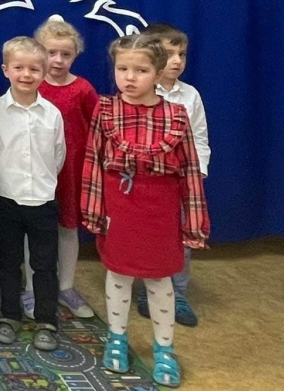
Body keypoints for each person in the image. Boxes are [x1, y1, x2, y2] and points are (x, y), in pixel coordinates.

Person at [82, 35, 208, 389]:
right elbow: (93, 161)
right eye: (122, 69)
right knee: (118, 274)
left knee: (159, 278)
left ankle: (164, 348)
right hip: (120, 206)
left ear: (157, 71)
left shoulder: (176, 115)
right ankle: (116, 338)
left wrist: (194, 220)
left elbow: (189, 170)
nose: (130, 77)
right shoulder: (106, 110)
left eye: (140, 70)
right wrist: (93, 209)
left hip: (159, 209)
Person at [0, 37, 66, 352]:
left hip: (43, 200)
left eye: (34, 69)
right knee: (8, 262)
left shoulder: (52, 114)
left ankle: (46, 320)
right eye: (19, 67)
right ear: (6, 69)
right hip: (5, 198)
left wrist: (41, 181)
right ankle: (9, 315)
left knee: (44, 265)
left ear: (44, 73)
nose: (26, 74)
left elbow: (58, 155)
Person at [27, 17, 99, 319]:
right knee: (34, 229)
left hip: (71, 171)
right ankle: (31, 288)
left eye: (65, 54)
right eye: (51, 52)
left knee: (68, 228)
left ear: (75, 55)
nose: (57, 60)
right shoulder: (32, 84)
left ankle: (66, 286)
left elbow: (97, 128)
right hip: (36, 168)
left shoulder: (83, 89)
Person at [137, 23, 208, 328]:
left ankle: (178, 293)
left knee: (180, 238)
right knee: (147, 236)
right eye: (169, 53)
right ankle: (147, 289)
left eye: (182, 54)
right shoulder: (138, 91)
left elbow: (200, 138)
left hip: (180, 180)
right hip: (146, 182)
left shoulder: (190, 95)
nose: (177, 61)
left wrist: (197, 174)